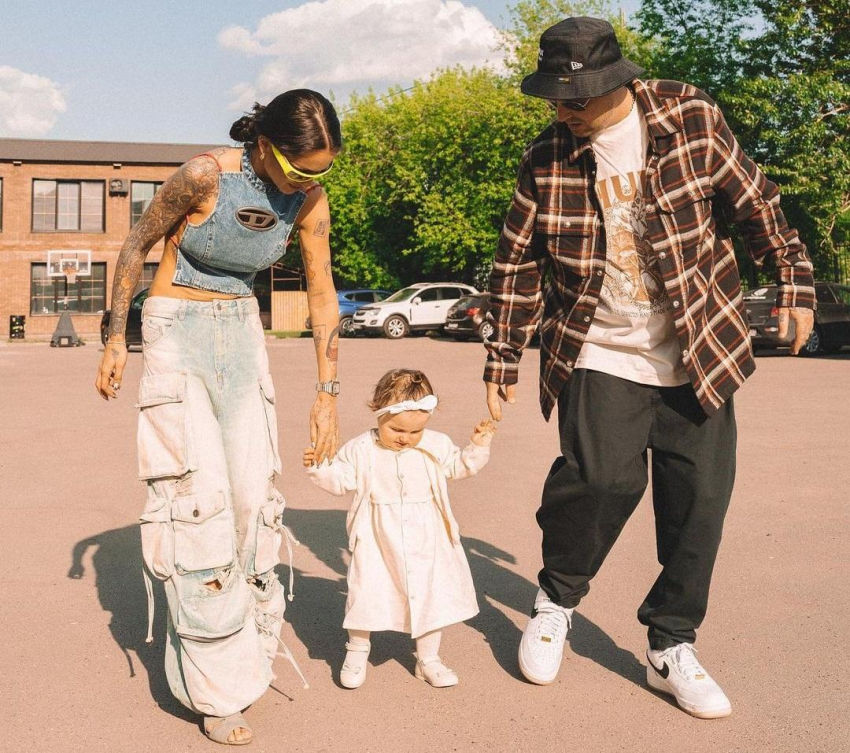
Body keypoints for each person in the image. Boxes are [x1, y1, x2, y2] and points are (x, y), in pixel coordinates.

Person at [483, 17, 815, 719]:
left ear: (617, 82)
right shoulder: (546, 156)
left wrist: (793, 278)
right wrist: (503, 353)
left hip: (698, 346)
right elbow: (516, 260)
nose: (563, 111)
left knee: (700, 503)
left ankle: (671, 644)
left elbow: (756, 203)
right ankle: (556, 600)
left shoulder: (690, 115)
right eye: (554, 98)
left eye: (575, 99)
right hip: (599, 347)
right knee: (597, 480)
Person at [94, 89, 343, 745]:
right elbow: (135, 246)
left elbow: (321, 290)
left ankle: (250, 653)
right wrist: (116, 339)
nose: (307, 182)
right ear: (264, 145)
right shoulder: (205, 175)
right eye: (298, 169)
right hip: (175, 328)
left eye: (320, 172)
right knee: (198, 504)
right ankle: (216, 691)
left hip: (241, 334)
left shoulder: (309, 201)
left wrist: (327, 392)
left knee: (253, 503)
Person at [304, 369, 496, 689]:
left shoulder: (435, 444)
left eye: (415, 431)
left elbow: (458, 466)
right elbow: (341, 480)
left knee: (430, 596)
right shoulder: (361, 448)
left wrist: (477, 447)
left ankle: (428, 658)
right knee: (367, 591)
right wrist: (319, 466)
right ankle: (357, 650)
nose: (405, 437)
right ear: (378, 412)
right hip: (377, 538)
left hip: (427, 537)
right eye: (396, 429)